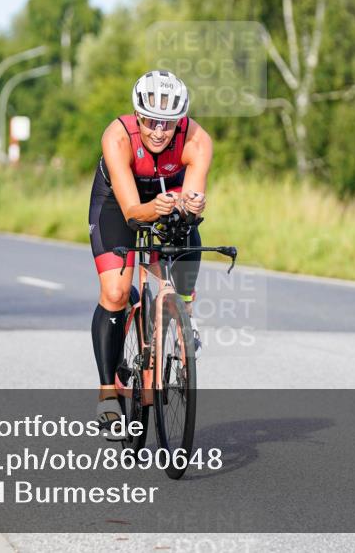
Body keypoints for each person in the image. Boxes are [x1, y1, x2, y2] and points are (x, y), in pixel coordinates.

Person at [87, 70, 212, 435]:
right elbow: (131, 213)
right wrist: (156, 208)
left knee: (186, 231)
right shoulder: (118, 137)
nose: (159, 131)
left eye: (169, 124)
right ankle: (108, 393)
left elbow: (190, 206)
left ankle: (184, 309)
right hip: (118, 202)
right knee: (115, 292)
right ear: (138, 116)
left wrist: (190, 207)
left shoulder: (198, 140)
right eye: (151, 121)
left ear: (181, 122)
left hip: (165, 196)